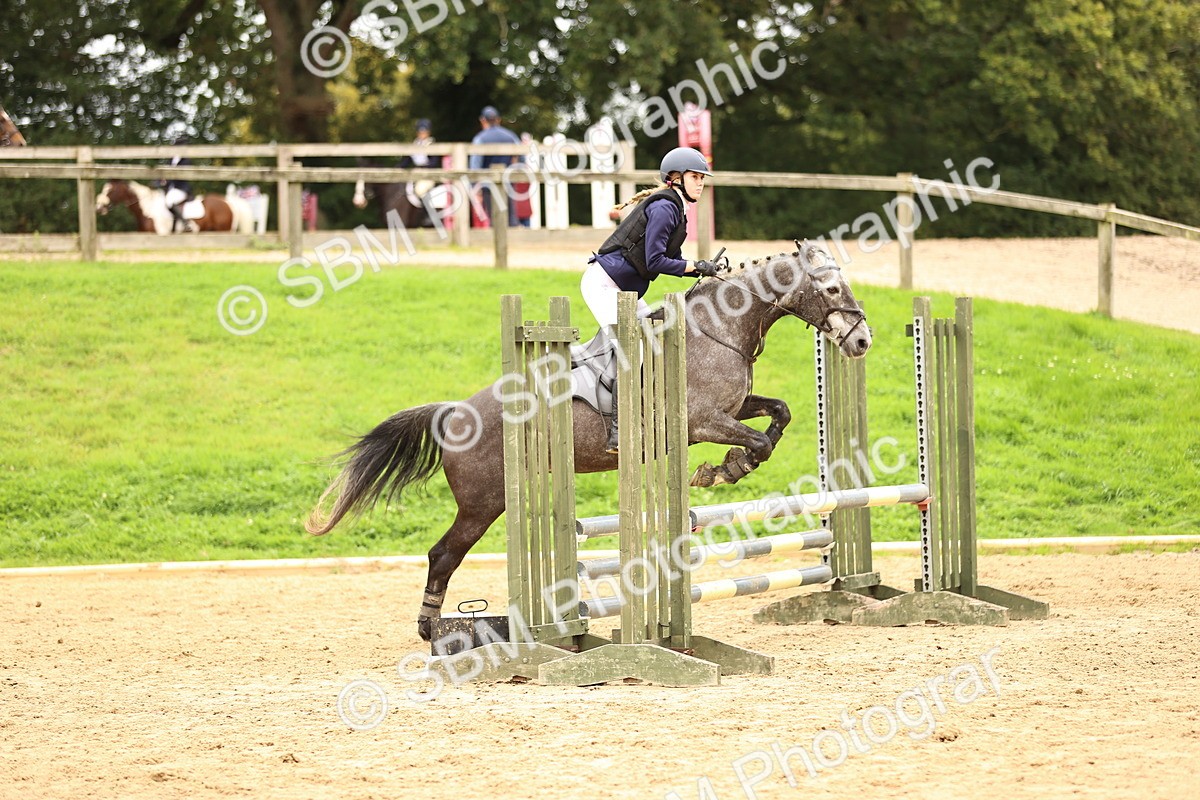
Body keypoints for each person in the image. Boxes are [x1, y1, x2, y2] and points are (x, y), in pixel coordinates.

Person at [581, 146, 727, 453]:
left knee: (656, 339)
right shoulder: (664, 208)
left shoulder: (676, 209)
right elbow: (656, 260)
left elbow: (672, 259)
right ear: (676, 178)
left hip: (625, 292)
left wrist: (701, 269)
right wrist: (694, 267)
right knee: (632, 346)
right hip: (604, 286)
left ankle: (650, 408)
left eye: (702, 178)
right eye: (695, 177)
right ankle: (618, 432)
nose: (701, 183)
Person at [469, 105, 521, 227]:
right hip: (509, 182)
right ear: (498, 119)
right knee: (511, 218)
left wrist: (475, 188)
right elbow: (521, 158)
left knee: (495, 220)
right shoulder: (511, 137)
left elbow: (475, 166)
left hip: (488, 186)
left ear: (483, 120)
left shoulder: (480, 139)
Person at [160, 136, 193, 233]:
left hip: (181, 188)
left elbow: (182, 176)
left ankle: (185, 223)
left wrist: (169, 179)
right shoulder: (171, 160)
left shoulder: (186, 160)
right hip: (169, 189)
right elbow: (164, 172)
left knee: (170, 201)